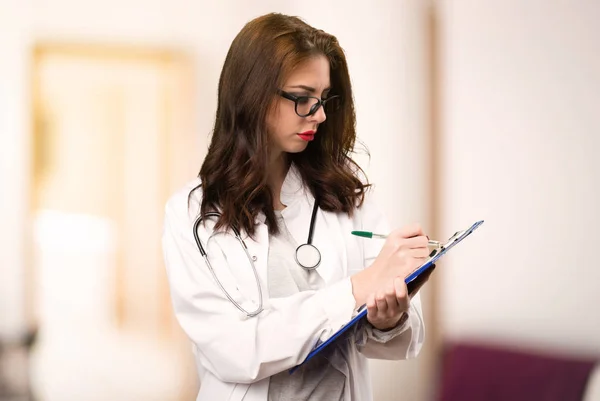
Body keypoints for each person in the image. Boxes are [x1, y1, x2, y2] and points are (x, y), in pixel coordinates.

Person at [162, 12, 433, 401]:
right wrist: (356, 289)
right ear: (252, 94)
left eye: (324, 99)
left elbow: (405, 340)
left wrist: (387, 319)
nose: (320, 115)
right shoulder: (190, 216)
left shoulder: (346, 193)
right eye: (303, 98)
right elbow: (235, 351)